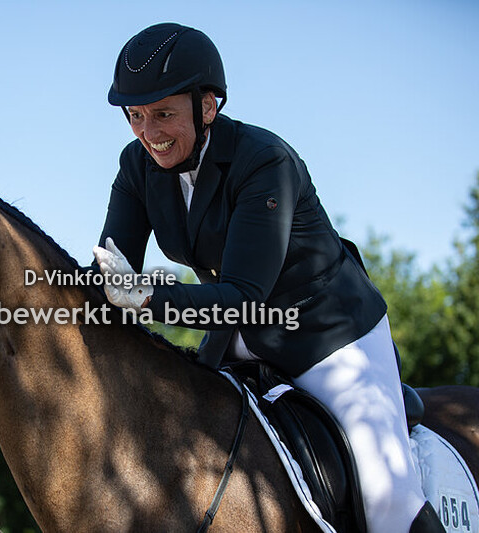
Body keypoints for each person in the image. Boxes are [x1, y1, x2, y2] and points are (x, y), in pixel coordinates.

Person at [91, 22, 444, 533]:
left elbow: (243, 297)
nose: (149, 133)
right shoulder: (136, 166)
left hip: (329, 336)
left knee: (387, 497)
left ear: (208, 105)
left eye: (163, 113)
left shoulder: (264, 160)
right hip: (234, 340)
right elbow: (109, 268)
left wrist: (147, 297)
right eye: (135, 116)